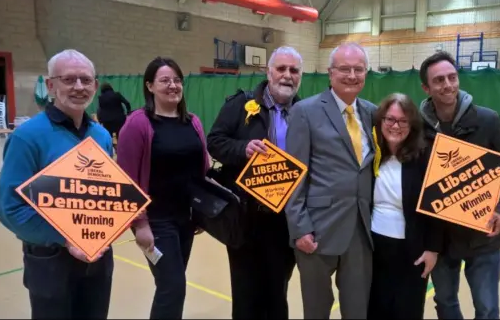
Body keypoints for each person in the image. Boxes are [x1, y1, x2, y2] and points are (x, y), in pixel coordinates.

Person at [0, 49, 114, 319]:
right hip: (50, 262)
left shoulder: (102, 136)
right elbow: (10, 209)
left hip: (98, 259)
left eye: (86, 80)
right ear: (50, 85)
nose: (79, 87)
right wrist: (65, 238)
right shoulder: (27, 137)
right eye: (69, 79)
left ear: (95, 85)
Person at [418, 51, 500, 319]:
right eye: (439, 80)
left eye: (452, 77)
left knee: (487, 309)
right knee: (445, 303)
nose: (448, 85)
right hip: (440, 239)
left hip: (482, 234)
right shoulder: (418, 128)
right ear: (426, 88)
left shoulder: (488, 120)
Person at [206, 46, 303, 319]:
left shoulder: (304, 112)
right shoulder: (241, 104)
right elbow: (215, 142)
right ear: (268, 71)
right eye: (281, 69)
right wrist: (243, 149)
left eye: (293, 70)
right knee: (246, 293)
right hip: (246, 217)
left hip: (284, 220)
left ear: (300, 76)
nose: (287, 76)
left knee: (277, 292)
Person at [285, 42, 376, 319]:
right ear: (330, 73)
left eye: (358, 69)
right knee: (316, 311)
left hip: (361, 230)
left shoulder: (373, 113)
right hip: (317, 230)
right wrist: (300, 228)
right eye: (344, 69)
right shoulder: (305, 111)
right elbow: (294, 174)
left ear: (366, 73)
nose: (352, 75)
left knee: (357, 310)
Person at [116, 57, 211, 319]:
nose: (173, 86)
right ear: (149, 86)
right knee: (172, 287)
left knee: (173, 285)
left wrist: (203, 211)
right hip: (156, 221)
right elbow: (127, 180)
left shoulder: (193, 122)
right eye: (165, 80)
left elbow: (202, 168)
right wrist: (140, 223)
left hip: (186, 219)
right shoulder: (137, 124)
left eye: (177, 80)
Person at [367, 93, 443, 320]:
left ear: (412, 124)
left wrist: (432, 249)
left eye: (403, 121)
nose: (395, 126)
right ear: (380, 121)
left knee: (407, 309)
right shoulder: (370, 153)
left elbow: (437, 209)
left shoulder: (425, 156)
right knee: (376, 308)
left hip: (412, 249)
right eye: (390, 119)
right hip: (374, 247)